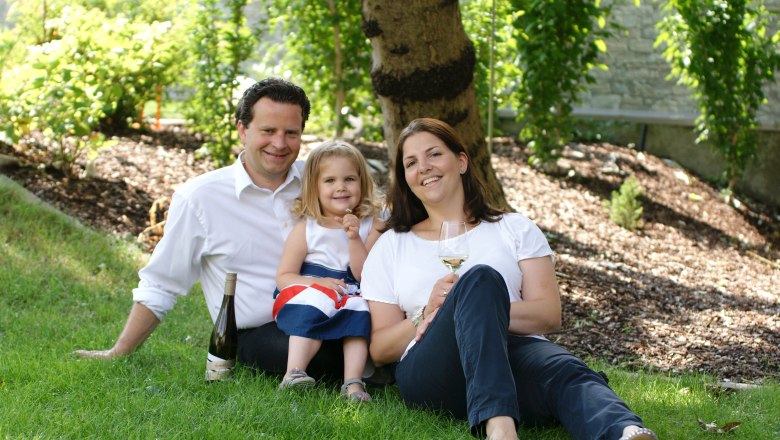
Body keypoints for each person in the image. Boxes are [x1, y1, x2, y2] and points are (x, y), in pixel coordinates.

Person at [360, 118, 658, 440]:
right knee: (479, 280)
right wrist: (428, 313)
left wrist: (477, 309)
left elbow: (547, 314)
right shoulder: (391, 245)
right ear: (405, 178)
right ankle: (501, 429)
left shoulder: (514, 228)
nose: (424, 167)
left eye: (434, 154)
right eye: (411, 162)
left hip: (515, 354)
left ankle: (625, 431)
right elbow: (380, 350)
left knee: (565, 370)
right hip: (434, 370)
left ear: (461, 162)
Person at [73, 78, 347, 380]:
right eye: (268, 131)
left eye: (291, 133)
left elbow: (377, 216)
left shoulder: (323, 179)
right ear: (242, 129)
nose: (279, 144)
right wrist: (118, 352)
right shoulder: (200, 198)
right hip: (264, 332)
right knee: (328, 355)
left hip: (337, 305)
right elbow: (163, 282)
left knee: (359, 329)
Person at [273, 140, 383, 401]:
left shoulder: (368, 226)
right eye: (330, 180)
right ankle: (293, 372)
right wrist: (317, 283)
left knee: (361, 307)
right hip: (309, 292)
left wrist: (355, 238)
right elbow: (284, 276)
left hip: (349, 292)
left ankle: (353, 383)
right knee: (317, 299)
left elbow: (362, 275)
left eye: (349, 179)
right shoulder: (307, 228)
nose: (341, 187)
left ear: (362, 183)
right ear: (315, 187)